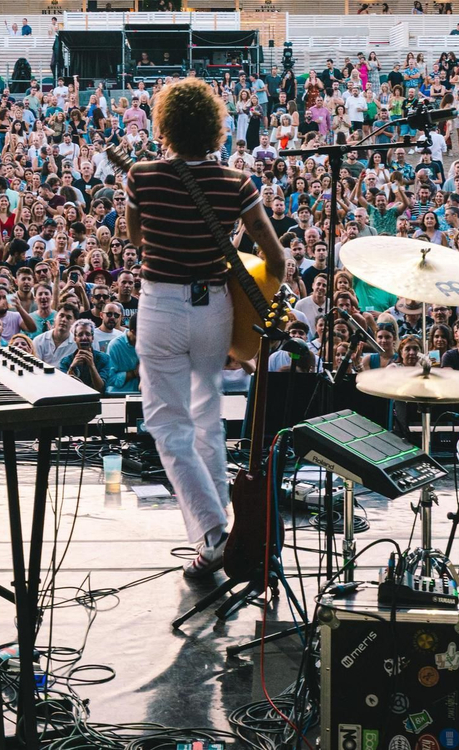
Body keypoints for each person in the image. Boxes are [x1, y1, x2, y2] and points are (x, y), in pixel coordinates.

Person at [125, 79, 286, 580]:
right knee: (207, 420)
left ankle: (215, 535)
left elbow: (137, 241)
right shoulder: (236, 183)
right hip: (216, 306)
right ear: (215, 125)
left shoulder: (142, 175)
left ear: (165, 125)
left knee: (168, 426)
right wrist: (248, 319)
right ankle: (220, 540)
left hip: (163, 306)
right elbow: (275, 258)